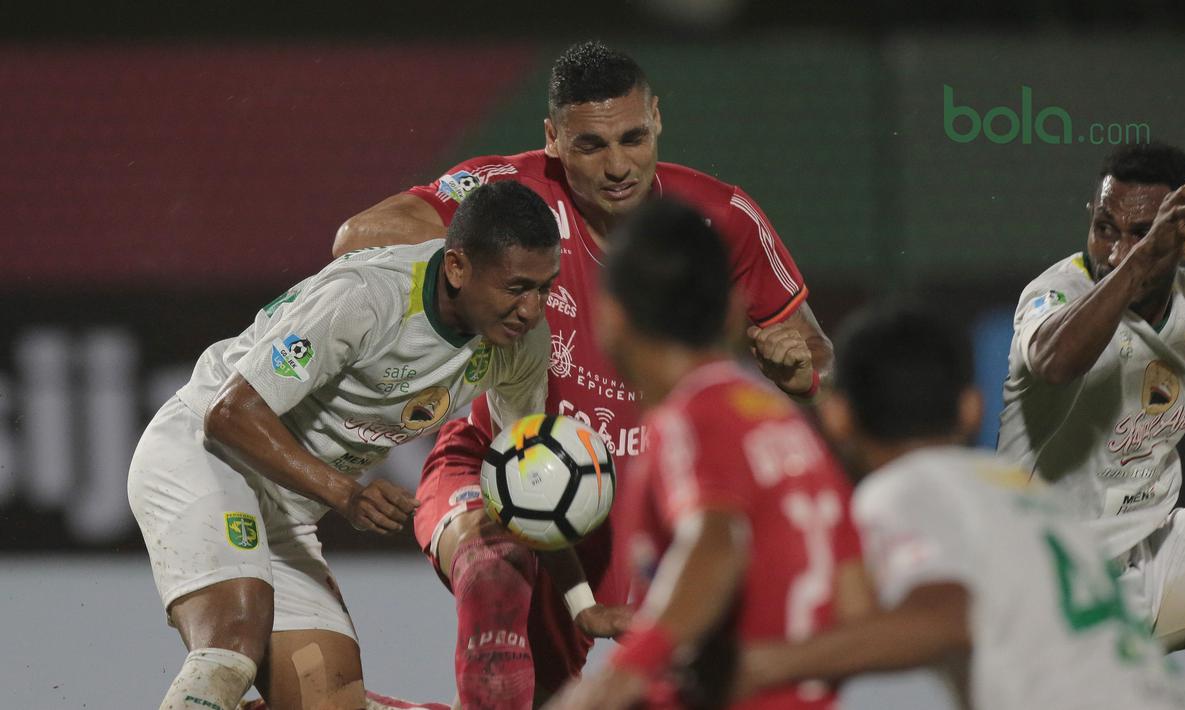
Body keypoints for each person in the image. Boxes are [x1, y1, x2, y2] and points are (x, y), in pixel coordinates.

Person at [334, 40, 832, 706]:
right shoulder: (508, 193)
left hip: (646, 507)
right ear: (551, 138)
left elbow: (813, 354)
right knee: (492, 571)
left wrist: (793, 365)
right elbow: (358, 237)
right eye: (590, 146)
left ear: (656, 116)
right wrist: (460, 284)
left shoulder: (719, 220)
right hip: (504, 470)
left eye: (631, 137)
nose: (618, 165)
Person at [127, 181, 559, 710]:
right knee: (231, 645)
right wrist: (348, 495)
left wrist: (581, 600)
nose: (531, 309)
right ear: (457, 267)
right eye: (516, 287)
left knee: (327, 702)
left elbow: (528, 483)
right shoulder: (369, 296)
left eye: (544, 288)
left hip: (287, 508)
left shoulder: (520, 344)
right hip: (202, 454)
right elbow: (230, 412)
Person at [738, 304, 1185, 710]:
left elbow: (946, 619)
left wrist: (760, 666)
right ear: (971, 407)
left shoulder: (905, 487)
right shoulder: (1016, 491)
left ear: (839, 415)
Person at [547, 200, 869, 710]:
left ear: (609, 319)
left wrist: (622, 678)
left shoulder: (688, 421)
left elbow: (718, 542)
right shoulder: (783, 424)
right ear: (734, 311)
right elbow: (856, 603)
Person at [997, 143, 1185, 650]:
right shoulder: (1055, 294)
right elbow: (1054, 363)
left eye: (1143, 233)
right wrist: (1145, 258)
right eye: (1105, 228)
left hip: (1152, 562)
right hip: (1045, 582)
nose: (1117, 250)